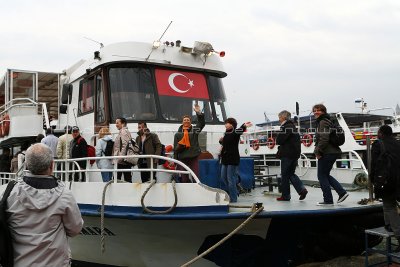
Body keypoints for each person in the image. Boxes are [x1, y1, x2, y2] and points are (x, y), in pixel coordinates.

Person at [4, 143, 83, 267]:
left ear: (26, 165)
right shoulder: (64, 195)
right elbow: (75, 229)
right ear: (52, 165)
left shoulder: (7, 193)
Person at [313, 104, 348, 205]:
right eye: (314, 110)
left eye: (318, 110)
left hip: (327, 152)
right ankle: (342, 192)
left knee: (321, 176)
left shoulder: (323, 122)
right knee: (325, 175)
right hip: (333, 151)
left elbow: (324, 139)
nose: (316, 112)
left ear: (323, 111)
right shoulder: (329, 120)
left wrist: (318, 151)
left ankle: (328, 200)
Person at [371, 125, 400, 246]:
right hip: (398, 179)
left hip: (387, 180)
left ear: (381, 133)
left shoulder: (378, 144)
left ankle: (398, 235)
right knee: (388, 204)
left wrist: (373, 179)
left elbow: (374, 163)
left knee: (389, 205)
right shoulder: (398, 143)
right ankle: (388, 225)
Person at [276, 110, 308, 201]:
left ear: (284, 117)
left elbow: (279, 141)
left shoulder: (286, 127)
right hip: (295, 154)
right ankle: (302, 190)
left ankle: (286, 196)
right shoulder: (293, 127)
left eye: (280, 117)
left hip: (287, 154)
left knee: (285, 175)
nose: (279, 120)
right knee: (291, 174)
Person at [219, 118, 252, 202]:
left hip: (233, 158)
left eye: (227, 123)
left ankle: (233, 198)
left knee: (230, 179)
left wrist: (244, 125)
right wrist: (221, 141)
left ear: (232, 125)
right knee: (223, 177)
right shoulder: (226, 133)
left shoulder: (235, 132)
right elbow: (227, 143)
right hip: (225, 158)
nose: (225, 125)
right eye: (225, 123)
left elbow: (240, 130)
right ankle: (235, 190)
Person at [173, 104, 205, 182]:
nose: (186, 121)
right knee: (184, 179)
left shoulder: (194, 131)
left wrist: (199, 113)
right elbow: (175, 149)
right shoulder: (178, 134)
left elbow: (201, 124)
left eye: (188, 120)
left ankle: (196, 191)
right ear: (182, 122)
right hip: (182, 158)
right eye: (185, 120)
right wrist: (175, 161)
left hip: (193, 157)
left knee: (196, 177)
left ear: (190, 122)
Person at [113, 117, 132, 183]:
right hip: (123, 159)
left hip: (121, 160)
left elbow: (125, 145)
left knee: (116, 178)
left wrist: (120, 157)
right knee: (127, 178)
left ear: (123, 123)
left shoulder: (123, 131)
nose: (116, 124)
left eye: (117, 123)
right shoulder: (123, 131)